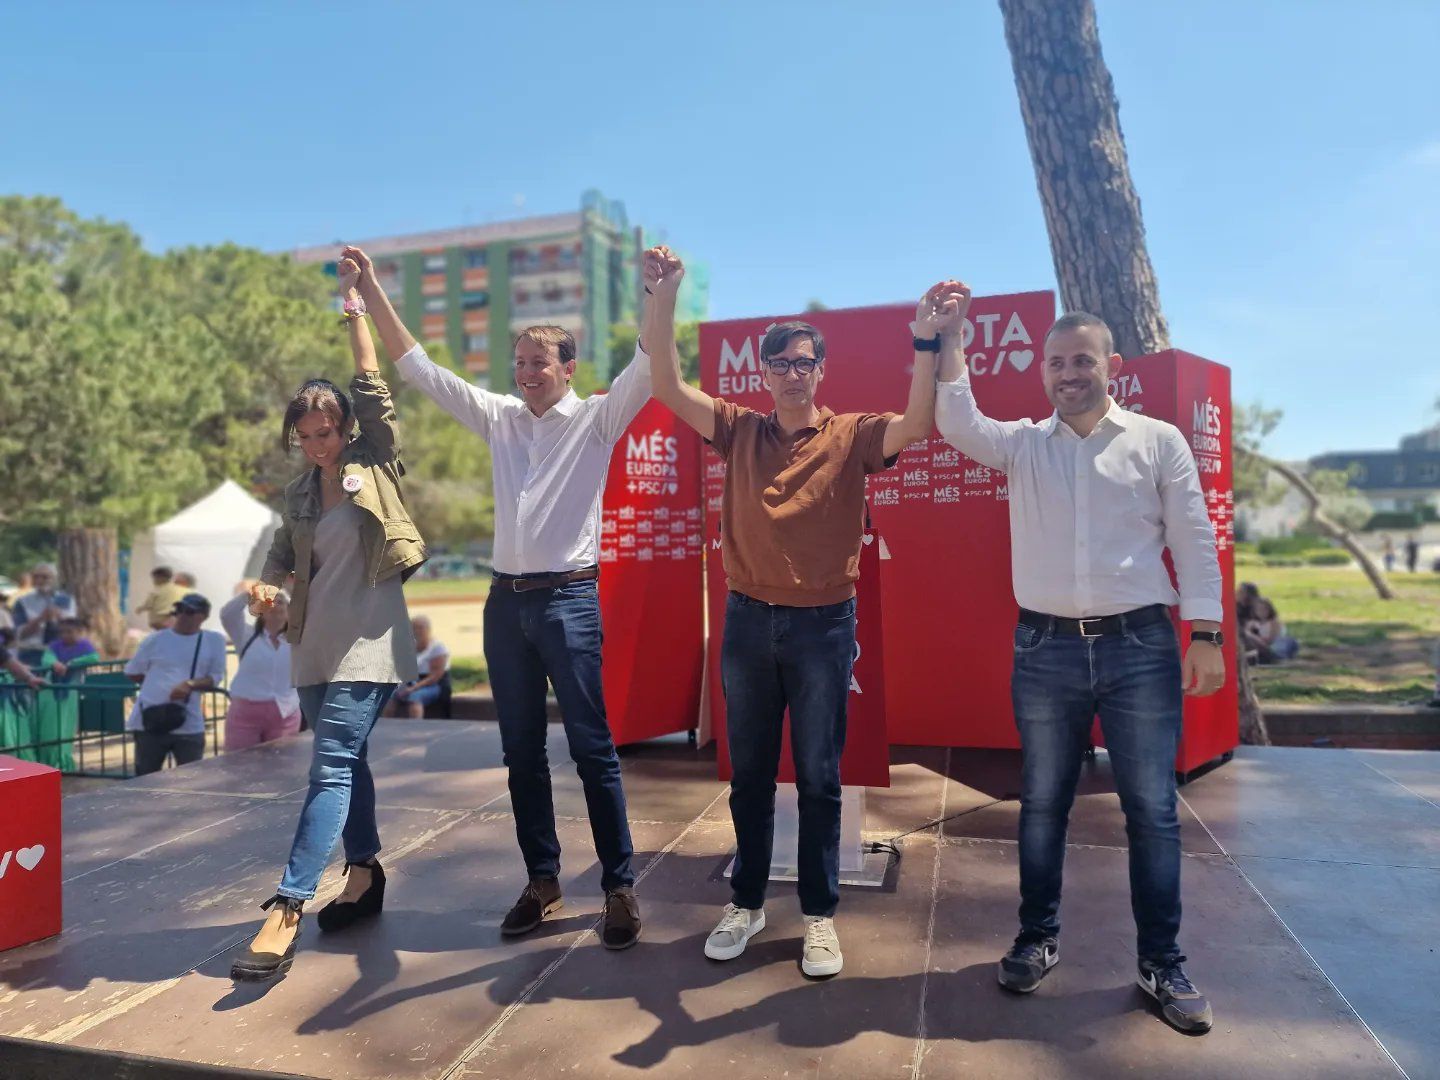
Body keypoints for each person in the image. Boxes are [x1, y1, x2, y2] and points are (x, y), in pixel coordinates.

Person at [342, 240, 651, 951]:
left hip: (570, 603)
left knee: (594, 749)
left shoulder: (597, 420)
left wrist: (656, 295)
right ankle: (542, 881)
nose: (526, 374)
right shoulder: (498, 418)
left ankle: (618, 886)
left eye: (539, 363)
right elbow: (415, 366)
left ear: (568, 369)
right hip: (505, 606)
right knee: (521, 754)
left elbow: (648, 364)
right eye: (519, 363)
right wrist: (370, 286)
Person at [935, 299, 1226, 1034]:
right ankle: (1037, 939)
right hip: (1046, 649)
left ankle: (1162, 961)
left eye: (1083, 360)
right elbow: (956, 422)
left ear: (1112, 368)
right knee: (1042, 807)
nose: (1069, 374)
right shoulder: (1024, 445)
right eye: (1057, 363)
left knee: (1152, 813)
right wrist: (953, 342)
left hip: (1142, 648)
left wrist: (1208, 634)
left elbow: (1193, 537)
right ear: (1043, 372)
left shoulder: (1158, 443)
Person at [647, 249, 939, 978]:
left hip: (822, 627)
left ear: (820, 371)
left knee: (817, 777)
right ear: (764, 373)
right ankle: (745, 904)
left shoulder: (851, 437)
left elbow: (918, 423)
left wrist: (930, 343)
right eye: (778, 362)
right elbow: (664, 381)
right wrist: (664, 296)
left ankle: (818, 917)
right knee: (748, 774)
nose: (791, 373)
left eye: (803, 361)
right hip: (747, 623)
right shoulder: (737, 429)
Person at [230, 256, 426, 983]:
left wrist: (355, 308)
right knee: (349, 762)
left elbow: (374, 384)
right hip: (312, 643)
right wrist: (269, 588)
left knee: (332, 764)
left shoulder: (371, 462)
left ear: (345, 428)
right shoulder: (299, 493)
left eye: (326, 432)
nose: (318, 444)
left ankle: (287, 903)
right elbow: (283, 556)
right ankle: (366, 873)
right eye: (306, 436)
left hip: (370, 639)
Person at [124, 593, 227, 776]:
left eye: (188, 611)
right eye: (178, 610)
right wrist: (156, 686)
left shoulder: (213, 640)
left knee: (190, 779)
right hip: (150, 719)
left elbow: (215, 676)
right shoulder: (155, 639)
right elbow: (133, 672)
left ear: (202, 617)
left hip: (189, 720)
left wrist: (189, 684)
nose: (181, 615)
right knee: (145, 779)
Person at [219, 589, 301, 751]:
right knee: (240, 764)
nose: (275, 605)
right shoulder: (246, 634)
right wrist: (250, 593)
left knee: (281, 765)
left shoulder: (297, 640)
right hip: (246, 713)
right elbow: (228, 614)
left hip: (286, 712)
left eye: (280, 602)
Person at [12, 563, 76, 667]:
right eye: (36, 576)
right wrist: (41, 619)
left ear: (55, 579)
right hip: (32, 653)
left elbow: (73, 630)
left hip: (60, 653)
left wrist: (60, 619)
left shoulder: (66, 600)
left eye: (45, 577)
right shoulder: (23, 602)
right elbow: (18, 634)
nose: (39, 580)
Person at [389, 615, 450, 719]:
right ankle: (385, 727)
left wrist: (412, 689)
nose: (417, 631)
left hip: (432, 685)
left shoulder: (437, 648)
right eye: (414, 628)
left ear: (428, 629)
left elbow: (434, 677)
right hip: (411, 682)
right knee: (389, 696)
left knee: (414, 697)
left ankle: (415, 728)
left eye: (420, 627)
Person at [136, 566, 188, 631]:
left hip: (159, 620)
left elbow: (148, 605)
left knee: (161, 632)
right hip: (174, 619)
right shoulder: (177, 588)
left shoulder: (157, 590)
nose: (153, 581)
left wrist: (140, 609)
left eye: (154, 578)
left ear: (161, 578)